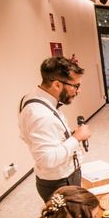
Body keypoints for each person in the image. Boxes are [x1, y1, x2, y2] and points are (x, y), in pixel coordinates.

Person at [19, 56, 90, 202]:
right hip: (61, 182)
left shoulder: (33, 97)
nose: (78, 91)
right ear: (57, 85)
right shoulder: (39, 114)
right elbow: (47, 159)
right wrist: (76, 138)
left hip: (63, 177)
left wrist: (67, 137)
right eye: (75, 86)